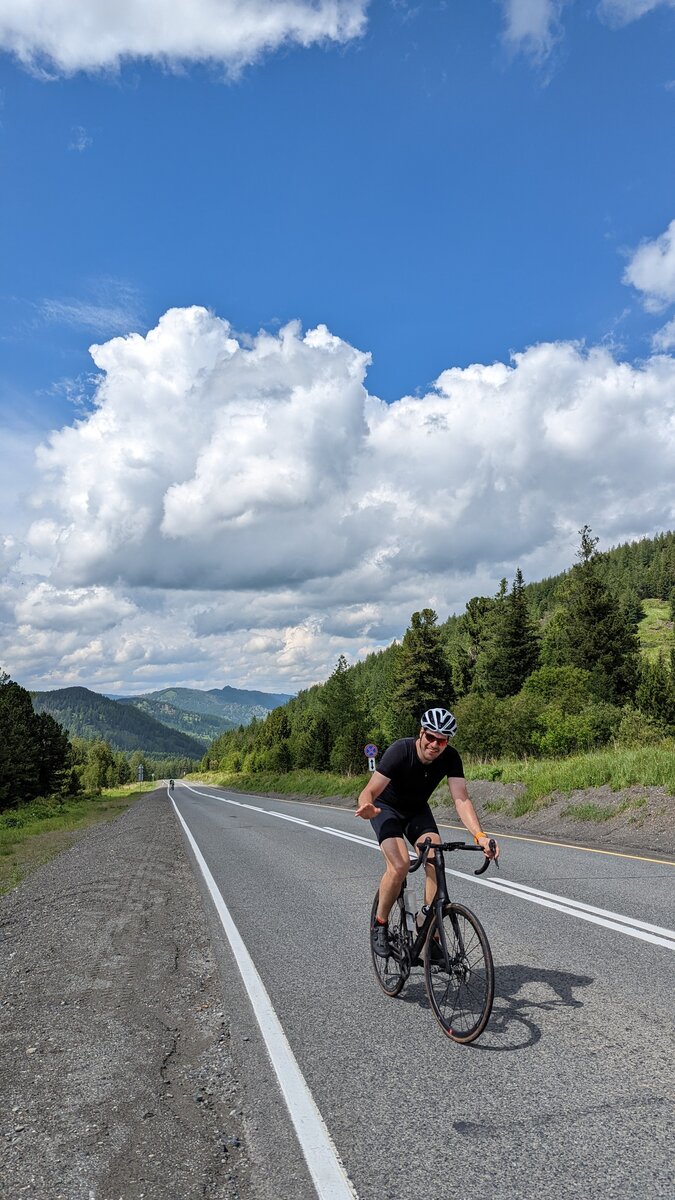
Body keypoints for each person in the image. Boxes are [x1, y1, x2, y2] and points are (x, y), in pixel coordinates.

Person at [355, 707, 499, 958]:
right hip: (385, 809)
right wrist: (365, 807)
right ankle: (380, 924)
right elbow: (370, 791)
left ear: (447, 742)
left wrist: (480, 836)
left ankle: (428, 926)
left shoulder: (451, 758)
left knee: (434, 857)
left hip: (416, 811)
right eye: (430, 737)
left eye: (441, 740)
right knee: (399, 866)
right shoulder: (400, 751)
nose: (434, 744)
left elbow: (461, 799)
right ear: (421, 733)